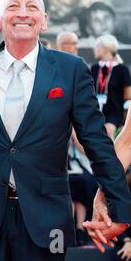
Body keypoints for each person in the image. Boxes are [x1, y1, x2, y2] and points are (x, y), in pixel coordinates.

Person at [0, 0, 131, 261]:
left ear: (45, 20)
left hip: (47, 219)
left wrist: (120, 207)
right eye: (13, 6)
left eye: (32, 7)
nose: (23, 13)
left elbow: (95, 140)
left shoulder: (71, 69)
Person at [56, 31, 98, 246]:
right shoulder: (50, 66)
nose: (72, 46)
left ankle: (79, 229)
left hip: (76, 143)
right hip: (53, 142)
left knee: (84, 183)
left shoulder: (81, 68)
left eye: (74, 43)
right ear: (59, 45)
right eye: (67, 43)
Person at [90, 34, 131, 140]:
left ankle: (110, 156)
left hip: (114, 111)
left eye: (97, 46)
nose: (95, 49)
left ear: (106, 48)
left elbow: (128, 95)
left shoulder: (122, 69)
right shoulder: (94, 68)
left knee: (108, 133)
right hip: (95, 110)